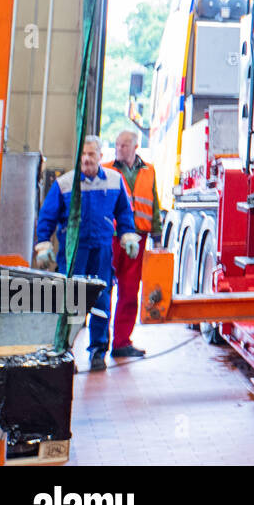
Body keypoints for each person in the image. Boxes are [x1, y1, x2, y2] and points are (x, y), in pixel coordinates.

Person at [34, 135, 139, 371]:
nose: (86, 159)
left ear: (101, 156)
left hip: (101, 251)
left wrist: (128, 234)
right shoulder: (65, 184)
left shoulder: (114, 180)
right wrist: (43, 243)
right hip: (73, 254)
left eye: (91, 154)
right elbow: (47, 216)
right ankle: (65, 351)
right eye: (83, 154)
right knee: (70, 301)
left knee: (101, 300)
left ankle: (98, 352)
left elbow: (123, 212)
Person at [108, 130, 162, 359]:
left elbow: (155, 202)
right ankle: (99, 344)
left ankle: (121, 343)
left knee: (129, 292)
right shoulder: (107, 169)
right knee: (102, 290)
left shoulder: (149, 170)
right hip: (111, 237)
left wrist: (158, 233)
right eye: (117, 145)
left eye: (124, 145)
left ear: (135, 147)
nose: (119, 149)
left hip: (138, 238)